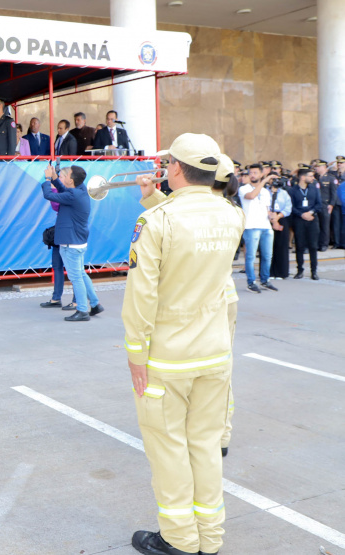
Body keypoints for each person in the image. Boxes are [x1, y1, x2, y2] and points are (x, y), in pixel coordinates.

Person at [123, 134, 244, 555]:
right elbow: (192, 232)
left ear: (175, 167)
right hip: (215, 352)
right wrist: (155, 197)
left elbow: (142, 295)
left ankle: (178, 539)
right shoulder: (231, 214)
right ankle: (209, 539)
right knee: (206, 446)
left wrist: (136, 354)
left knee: (169, 449)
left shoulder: (158, 221)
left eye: (168, 162)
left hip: (169, 357)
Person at [40, 164, 103, 321]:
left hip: (71, 243)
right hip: (77, 241)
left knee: (76, 277)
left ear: (71, 180)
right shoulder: (79, 190)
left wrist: (48, 179)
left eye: (65, 175)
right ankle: (95, 304)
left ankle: (82, 310)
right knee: (80, 273)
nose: (63, 176)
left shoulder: (74, 195)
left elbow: (48, 194)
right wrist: (55, 178)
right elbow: (64, 190)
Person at [39, 177, 77, 311]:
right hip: (61, 233)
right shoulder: (66, 192)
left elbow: (54, 202)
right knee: (57, 265)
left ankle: (78, 300)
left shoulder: (73, 194)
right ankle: (56, 298)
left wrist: (49, 180)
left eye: (63, 177)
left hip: (70, 236)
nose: (61, 179)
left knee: (73, 270)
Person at [239, 163, 276, 293]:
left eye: (255, 173)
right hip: (251, 226)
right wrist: (265, 181)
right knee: (250, 257)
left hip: (266, 226)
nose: (252, 175)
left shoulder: (266, 192)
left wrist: (272, 217)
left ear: (261, 174)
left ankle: (265, 280)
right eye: (251, 173)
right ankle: (251, 282)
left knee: (267, 255)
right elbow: (251, 196)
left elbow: (267, 209)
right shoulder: (244, 189)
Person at [290, 168, 322, 280]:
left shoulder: (314, 189)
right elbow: (291, 206)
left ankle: (314, 271)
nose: (313, 178)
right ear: (302, 177)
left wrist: (310, 212)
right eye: (310, 176)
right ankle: (300, 270)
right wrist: (301, 214)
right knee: (300, 246)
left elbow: (319, 204)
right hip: (299, 220)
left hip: (312, 219)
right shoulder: (293, 190)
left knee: (313, 246)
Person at [268, 176, 292, 279]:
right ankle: (269, 272)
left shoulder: (284, 193)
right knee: (268, 246)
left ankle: (281, 272)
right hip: (268, 218)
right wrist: (272, 218)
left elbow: (288, 208)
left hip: (281, 217)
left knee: (281, 246)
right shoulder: (265, 192)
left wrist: (277, 217)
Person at [313, 160, 338, 251]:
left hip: (325, 204)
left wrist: (331, 204)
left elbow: (334, 193)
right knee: (316, 226)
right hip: (316, 205)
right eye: (316, 166)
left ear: (324, 167)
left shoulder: (331, 178)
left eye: (319, 166)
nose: (316, 168)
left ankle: (324, 244)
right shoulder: (314, 177)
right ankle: (317, 243)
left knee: (325, 226)